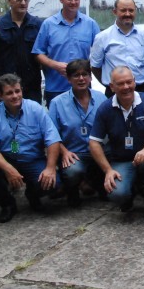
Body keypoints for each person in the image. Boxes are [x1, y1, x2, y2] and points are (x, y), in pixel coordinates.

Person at [0, 74, 62, 223]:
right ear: (0, 95)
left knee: (53, 183)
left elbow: (53, 138)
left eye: (17, 91)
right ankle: (7, 204)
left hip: (32, 159)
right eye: (9, 93)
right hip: (6, 159)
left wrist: (50, 168)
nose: (15, 96)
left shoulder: (35, 109)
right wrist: (8, 168)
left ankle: (32, 194)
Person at [89, 66, 144, 225]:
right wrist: (108, 170)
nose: (126, 87)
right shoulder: (105, 108)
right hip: (122, 160)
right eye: (120, 84)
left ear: (134, 82)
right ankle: (129, 197)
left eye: (129, 82)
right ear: (112, 87)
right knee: (117, 194)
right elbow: (94, 142)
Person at [48, 59, 108, 206]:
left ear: (90, 77)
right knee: (73, 171)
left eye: (85, 74)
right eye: (76, 75)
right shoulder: (57, 103)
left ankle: (97, 184)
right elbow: (52, 135)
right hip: (74, 153)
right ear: (68, 79)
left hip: (99, 151)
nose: (81, 78)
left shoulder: (101, 98)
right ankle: (72, 189)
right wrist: (64, 152)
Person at [32, 0, 100, 105]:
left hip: (83, 87)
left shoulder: (90, 24)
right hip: (56, 88)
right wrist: (55, 65)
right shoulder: (48, 24)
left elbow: (99, 53)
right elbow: (38, 53)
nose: (73, 2)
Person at [90, 0, 144, 97]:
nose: (127, 14)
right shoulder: (102, 37)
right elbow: (95, 67)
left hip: (142, 89)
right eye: (123, 10)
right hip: (115, 92)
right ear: (114, 12)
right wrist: (110, 85)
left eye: (131, 10)